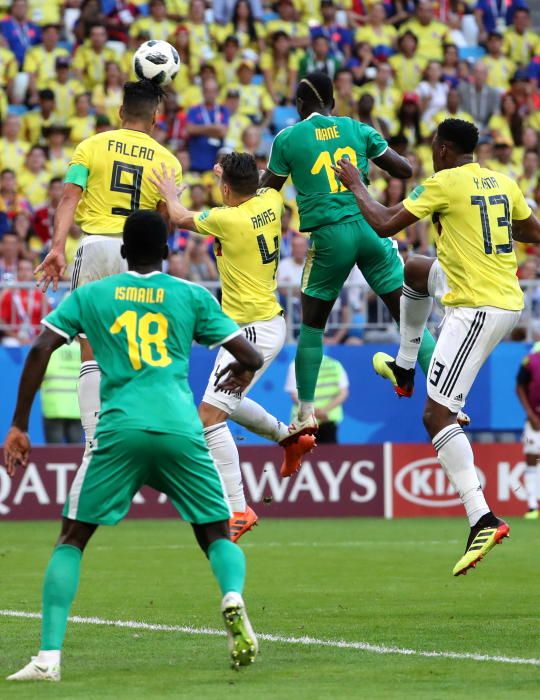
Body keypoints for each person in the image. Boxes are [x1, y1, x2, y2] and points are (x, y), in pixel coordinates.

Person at [4, 210, 261, 681]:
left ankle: (48, 659)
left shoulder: (93, 294)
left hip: (119, 428)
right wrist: (240, 374)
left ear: (122, 253)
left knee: (72, 538)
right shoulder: (190, 295)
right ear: (167, 251)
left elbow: (41, 347)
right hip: (181, 429)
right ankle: (232, 597)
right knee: (216, 534)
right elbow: (250, 354)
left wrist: (19, 424)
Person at [332, 118, 540, 576]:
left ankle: (481, 517)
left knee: (436, 415)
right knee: (415, 269)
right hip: (497, 291)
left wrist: (354, 185)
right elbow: (533, 231)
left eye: (431, 147)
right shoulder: (504, 182)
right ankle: (406, 365)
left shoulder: (445, 182)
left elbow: (384, 223)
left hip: (479, 307)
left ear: (443, 150)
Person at [259, 72, 441, 442]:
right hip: (372, 227)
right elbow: (404, 169)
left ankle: (306, 414)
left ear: (299, 105)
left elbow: (267, 192)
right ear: (334, 103)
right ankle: (448, 397)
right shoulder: (357, 129)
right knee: (410, 320)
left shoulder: (289, 138)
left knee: (312, 327)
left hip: (329, 238)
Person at [34, 79, 183, 521]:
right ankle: (148, 440)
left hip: (96, 245)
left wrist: (58, 247)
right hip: (141, 256)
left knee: (90, 347)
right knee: (141, 347)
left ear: (120, 113)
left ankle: (96, 441)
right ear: (155, 119)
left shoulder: (91, 147)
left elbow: (68, 198)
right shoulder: (167, 160)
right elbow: (165, 221)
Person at [151, 153, 316, 541]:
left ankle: (238, 508)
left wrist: (170, 192)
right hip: (257, 325)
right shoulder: (270, 202)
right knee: (229, 401)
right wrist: (229, 172)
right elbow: (265, 183)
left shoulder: (227, 219)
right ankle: (286, 437)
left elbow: (177, 216)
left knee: (209, 418)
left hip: (252, 331)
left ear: (227, 189)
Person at [285, 354, 349, 443]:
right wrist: (323, 411)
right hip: (324, 419)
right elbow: (343, 393)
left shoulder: (296, 364)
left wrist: (314, 411)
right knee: (330, 455)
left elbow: (295, 395)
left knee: (305, 456)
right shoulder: (335, 364)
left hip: (306, 421)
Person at [41, 343, 83, 444]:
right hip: (77, 408)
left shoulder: (49, 349)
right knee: (75, 454)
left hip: (54, 408)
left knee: (53, 454)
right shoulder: (81, 350)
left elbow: (38, 375)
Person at [516, 343, 540, 519]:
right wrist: (530, 414)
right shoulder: (531, 359)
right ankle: (532, 505)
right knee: (532, 457)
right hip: (535, 418)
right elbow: (520, 386)